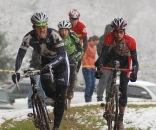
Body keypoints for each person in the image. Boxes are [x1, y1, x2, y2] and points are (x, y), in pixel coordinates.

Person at [12, 12, 69, 130]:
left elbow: (63, 55)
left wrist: (51, 66)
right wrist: (16, 71)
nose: (42, 30)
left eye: (44, 27)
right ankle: (55, 102)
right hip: (45, 63)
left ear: (47, 26)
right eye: (39, 28)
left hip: (61, 63)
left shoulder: (54, 34)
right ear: (34, 28)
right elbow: (20, 55)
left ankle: (56, 127)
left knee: (61, 94)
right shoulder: (29, 37)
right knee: (48, 92)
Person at [95, 18, 139, 130]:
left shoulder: (130, 40)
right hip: (113, 56)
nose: (118, 35)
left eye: (121, 32)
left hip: (126, 60)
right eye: (116, 32)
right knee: (100, 64)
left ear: (124, 31)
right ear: (113, 31)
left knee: (123, 89)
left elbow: (135, 60)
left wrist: (134, 71)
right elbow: (104, 54)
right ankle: (109, 100)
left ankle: (120, 119)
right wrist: (99, 66)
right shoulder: (109, 37)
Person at [57, 20, 83, 109]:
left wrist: (75, 58)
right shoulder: (56, 36)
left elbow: (80, 50)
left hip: (73, 57)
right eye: (62, 30)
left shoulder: (73, 36)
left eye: (65, 30)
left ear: (68, 30)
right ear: (59, 30)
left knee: (72, 68)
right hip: (61, 57)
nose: (64, 33)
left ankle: (71, 88)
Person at [96, 24, 113, 102]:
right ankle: (102, 97)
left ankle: (106, 97)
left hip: (108, 63)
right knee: (105, 81)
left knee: (108, 82)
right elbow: (100, 52)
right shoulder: (104, 39)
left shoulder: (109, 39)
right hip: (106, 64)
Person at [81, 35, 99, 102]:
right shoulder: (86, 46)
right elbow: (84, 56)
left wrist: (95, 65)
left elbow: (93, 57)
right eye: (95, 43)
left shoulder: (94, 47)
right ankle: (87, 99)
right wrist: (86, 65)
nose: (95, 45)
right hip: (86, 67)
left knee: (93, 84)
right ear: (92, 41)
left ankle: (90, 97)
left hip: (93, 67)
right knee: (89, 84)